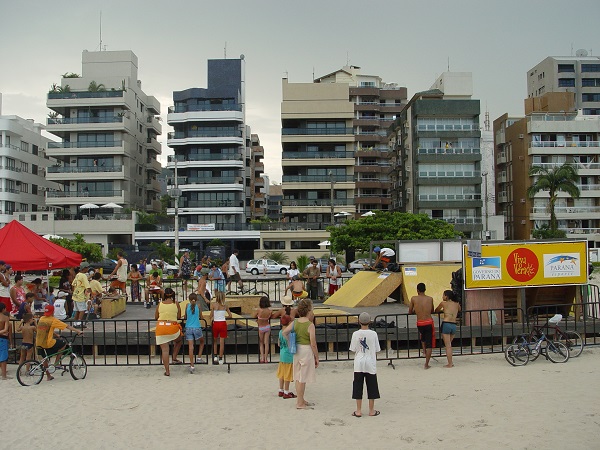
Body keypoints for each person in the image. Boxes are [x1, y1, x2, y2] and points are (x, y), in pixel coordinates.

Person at [283, 298, 318, 410]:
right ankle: (300, 402)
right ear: (308, 311)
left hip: (297, 349)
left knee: (298, 376)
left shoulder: (295, 322)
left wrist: (290, 342)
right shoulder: (310, 325)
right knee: (303, 377)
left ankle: (301, 399)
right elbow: (313, 343)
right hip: (306, 350)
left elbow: (285, 332)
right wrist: (317, 357)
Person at [36, 305, 83, 381]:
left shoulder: (41, 319)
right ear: (53, 311)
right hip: (48, 343)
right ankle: (57, 362)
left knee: (44, 358)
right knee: (63, 343)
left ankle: (48, 376)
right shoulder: (53, 320)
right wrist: (78, 331)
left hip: (38, 342)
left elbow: (46, 329)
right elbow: (67, 326)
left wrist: (55, 334)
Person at [350, 312, 381, 417]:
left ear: (359, 322)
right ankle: (371, 410)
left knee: (358, 385)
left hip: (359, 361)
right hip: (370, 361)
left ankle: (358, 410)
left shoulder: (355, 334)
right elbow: (377, 349)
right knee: (372, 385)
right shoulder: (374, 334)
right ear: (369, 322)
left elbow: (353, 349)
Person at [154, 288, 183, 376]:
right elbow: (178, 316)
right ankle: (174, 357)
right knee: (178, 340)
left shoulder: (160, 304)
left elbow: (156, 317)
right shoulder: (176, 303)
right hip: (172, 327)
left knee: (165, 350)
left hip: (161, 327)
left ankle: (167, 371)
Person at [409, 282, 435, 369]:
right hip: (428, 322)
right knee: (429, 344)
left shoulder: (413, 299)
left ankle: (423, 352)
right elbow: (432, 310)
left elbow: (410, 311)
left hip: (419, 322)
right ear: (425, 289)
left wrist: (416, 311)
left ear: (417, 290)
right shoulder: (430, 299)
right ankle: (426, 364)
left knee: (422, 337)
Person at [435, 290, 461, 368]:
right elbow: (459, 310)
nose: (442, 297)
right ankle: (450, 362)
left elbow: (436, 310)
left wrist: (443, 310)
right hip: (453, 325)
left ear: (446, 296)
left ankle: (450, 363)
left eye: (443, 295)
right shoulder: (457, 304)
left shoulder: (444, 303)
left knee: (447, 346)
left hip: (446, 323)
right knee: (449, 344)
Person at [184, 293, 205, 374]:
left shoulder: (186, 305)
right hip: (197, 327)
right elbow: (201, 317)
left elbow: (185, 316)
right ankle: (199, 357)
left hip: (188, 327)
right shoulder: (198, 306)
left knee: (190, 347)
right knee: (202, 342)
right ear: (196, 299)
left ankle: (192, 365)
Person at [276, 314, 296, 399]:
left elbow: (278, 343)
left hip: (282, 354)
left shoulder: (280, 332)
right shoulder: (289, 332)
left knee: (282, 373)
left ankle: (280, 390)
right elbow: (290, 344)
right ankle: (286, 391)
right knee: (287, 374)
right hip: (288, 355)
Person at [210, 291, 232, 365]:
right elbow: (230, 315)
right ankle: (220, 358)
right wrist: (225, 317)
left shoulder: (214, 305)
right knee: (222, 342)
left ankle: (215, 356)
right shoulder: (225, 306)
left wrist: (213, 317)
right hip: (222, 323)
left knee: (215, 340)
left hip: (216, 323)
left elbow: (211, 315)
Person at [253, 296, 273, 363]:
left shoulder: (259, 310)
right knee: (266, 343)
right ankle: (266, 358)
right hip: (267, 326)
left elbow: (253, 316)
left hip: (261, 327)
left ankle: (262, 357)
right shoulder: (269, 311)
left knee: (261, 342)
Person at [0, 303, 10, 380]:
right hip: (2, 338)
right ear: (3, 309)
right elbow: (6, 329)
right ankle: (3, 375)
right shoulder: (5, 318)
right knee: (3, 356)